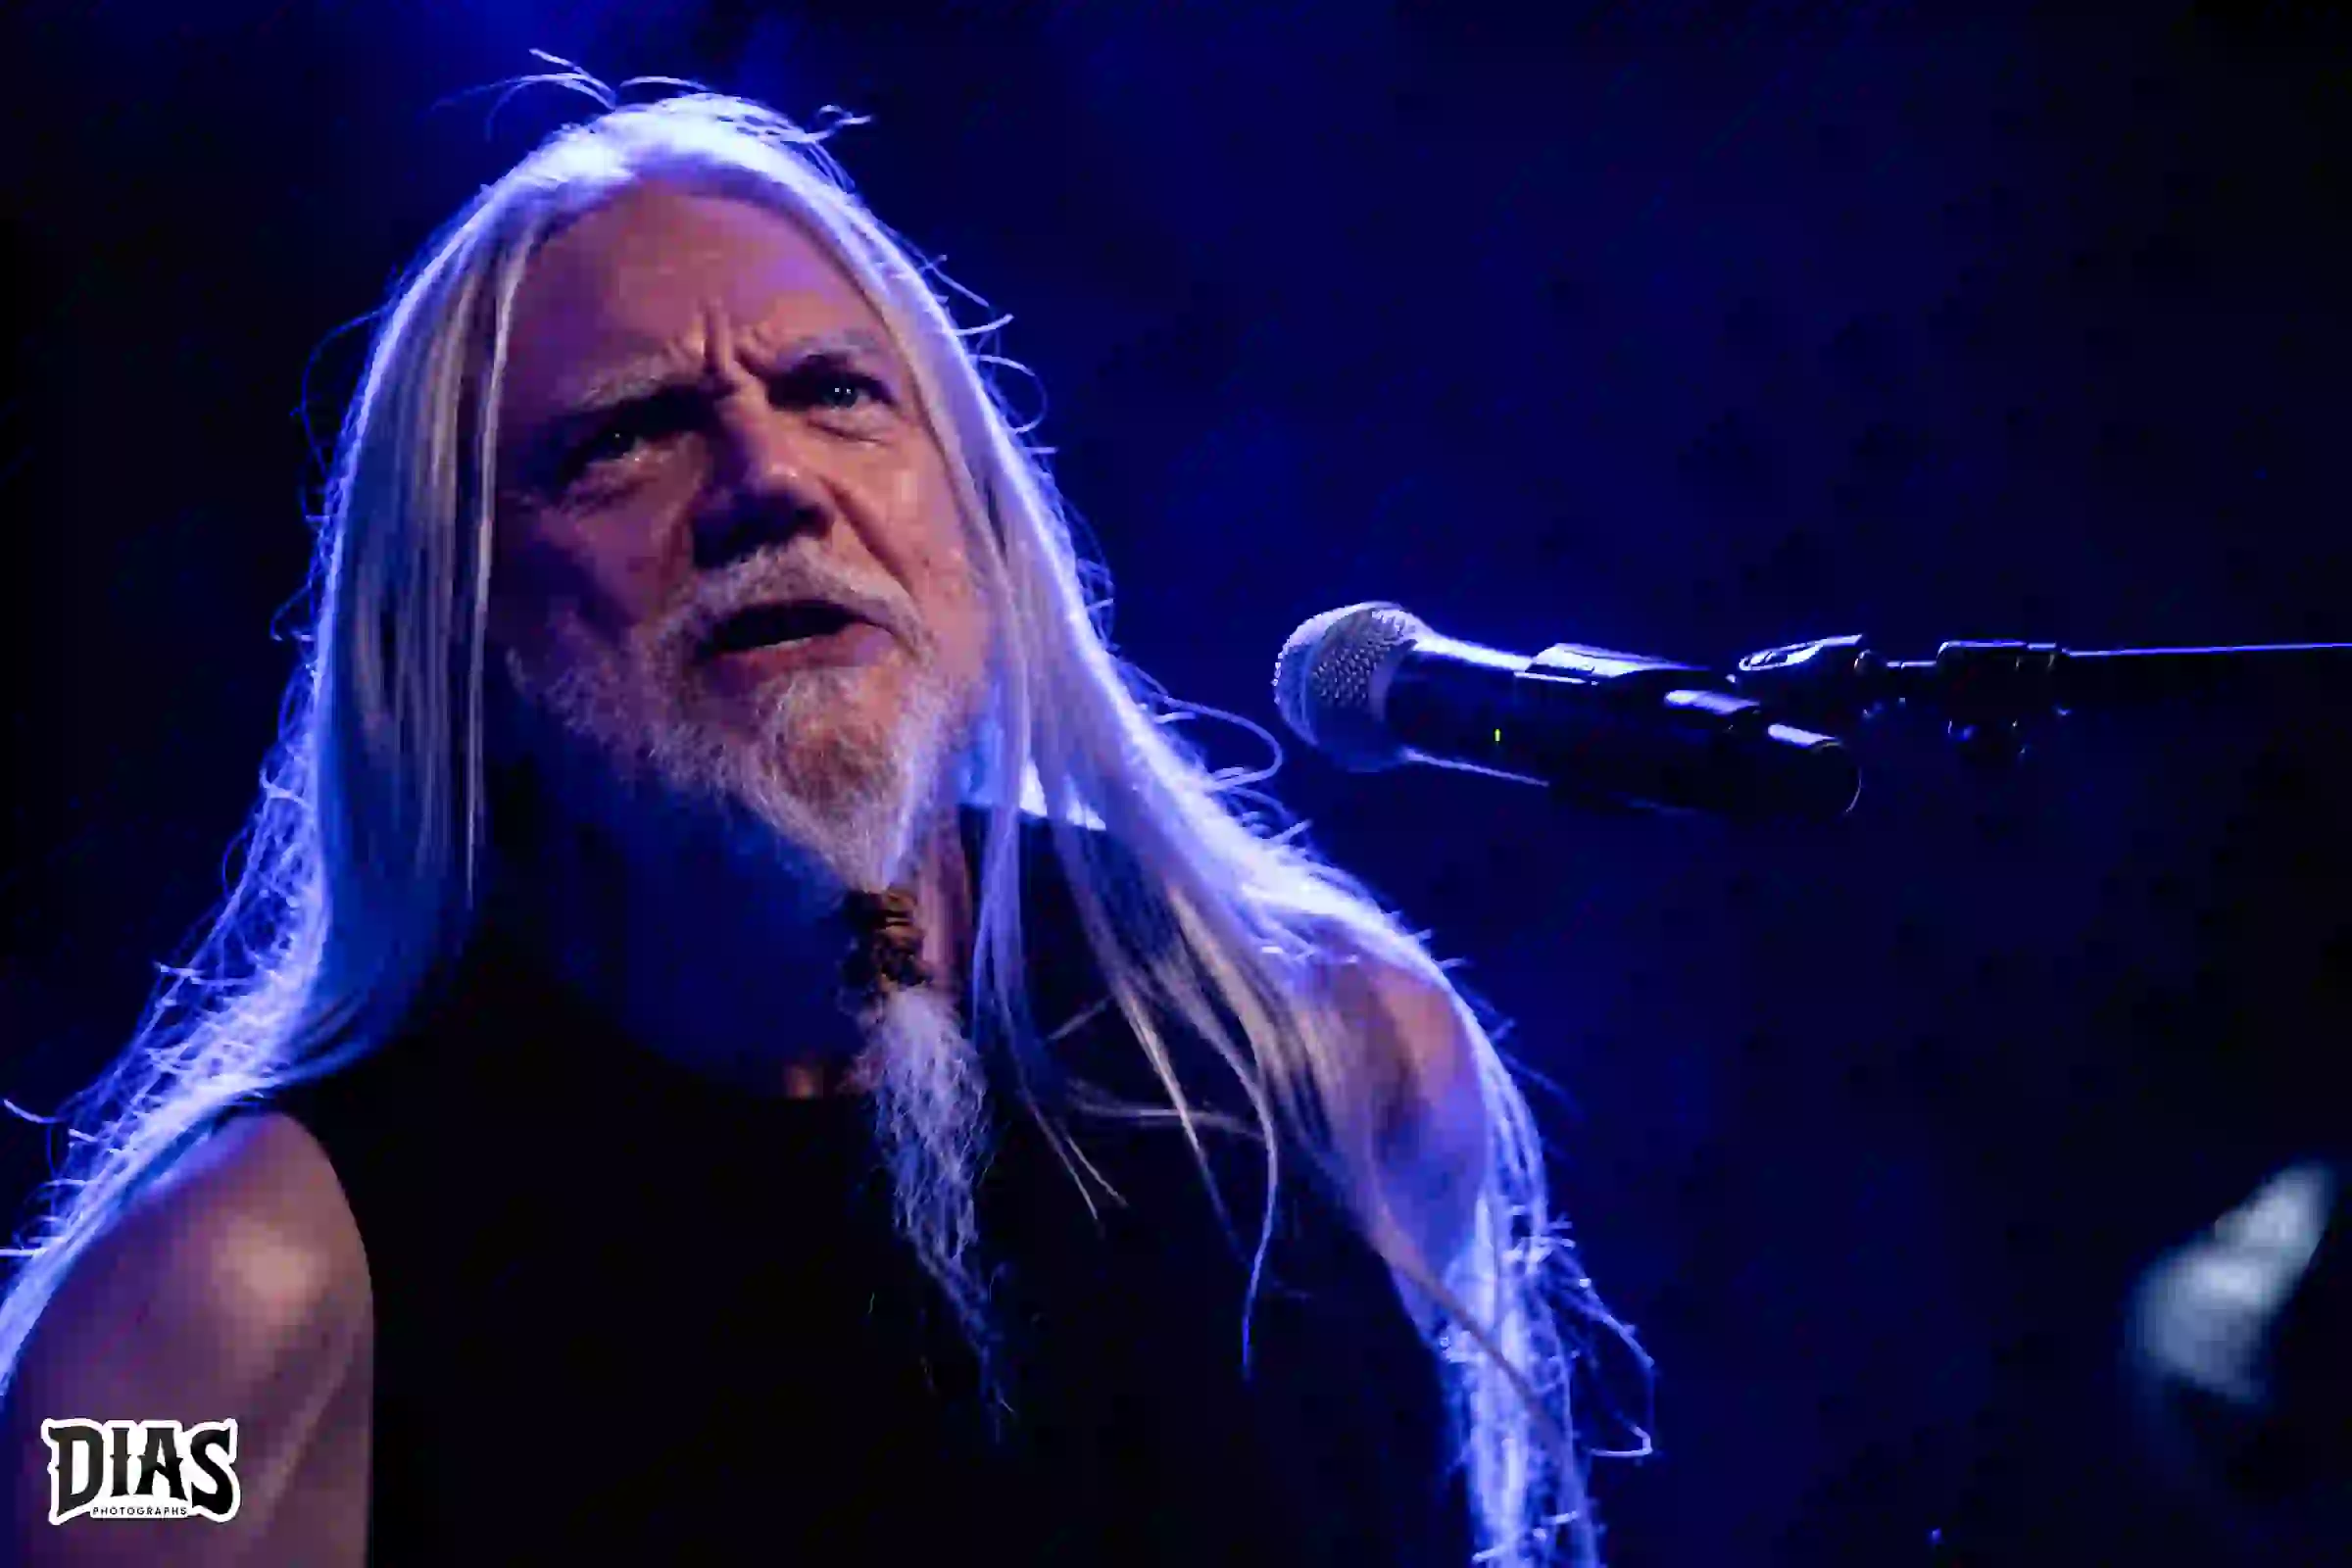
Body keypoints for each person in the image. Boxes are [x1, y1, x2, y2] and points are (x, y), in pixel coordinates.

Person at [0, 87, 1631, 1565]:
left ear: (980, 537)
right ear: (461, 635)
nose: (766, 479)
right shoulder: (202, 1335)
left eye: (838, 392)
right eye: (627, 435)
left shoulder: (1342, 1061)